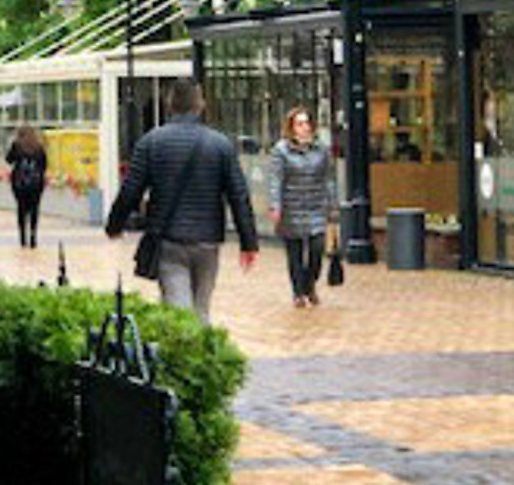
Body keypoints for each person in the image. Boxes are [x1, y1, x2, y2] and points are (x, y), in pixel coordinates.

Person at [105, 76, 258, 323]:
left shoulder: (151, 142)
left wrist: (114, 226)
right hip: (208, 239)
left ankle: (184, 345)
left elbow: (130, 190)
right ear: (201, 105)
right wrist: (248, 242)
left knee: (179, 312)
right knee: (201, 309)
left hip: (169, 238)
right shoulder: (220, 145)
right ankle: (203, 345)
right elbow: (238, 195)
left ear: (170, 104)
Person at [268, 107, 339, 308]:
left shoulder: (321, 149)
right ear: (291, 127)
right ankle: (298, 292)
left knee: (317, 249)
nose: (304, 127)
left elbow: (329, 179)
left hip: (315, 206)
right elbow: (276, 180)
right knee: (295, 254)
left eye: (307, 123)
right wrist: (275, 205)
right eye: (299, 124)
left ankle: (310, 284)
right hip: (292, 208)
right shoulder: (281, 151)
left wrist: (332, 204)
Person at [5, 125, 48, 249]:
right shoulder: (39, 147)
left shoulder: (17, 146)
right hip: (36, 183)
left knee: (21, 209)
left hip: (20, 183)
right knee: (35, 209)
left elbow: (8, 160)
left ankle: (23, 238)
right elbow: (44, 165)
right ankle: (33, 237)